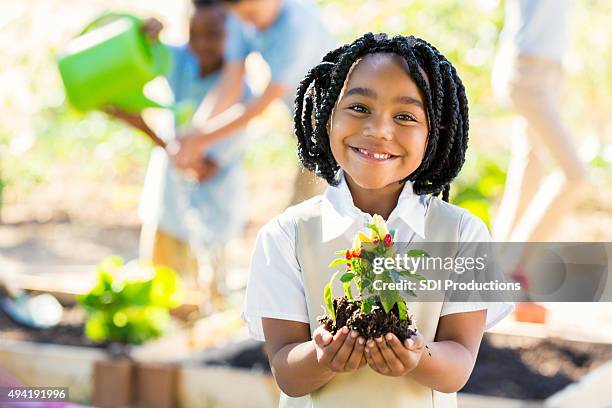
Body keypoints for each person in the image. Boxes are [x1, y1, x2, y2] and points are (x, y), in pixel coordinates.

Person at [242, 33, 513, 407]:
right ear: (327, 117)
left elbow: (459, 364)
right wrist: (322, 357)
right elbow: (286, 370)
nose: (379, 130)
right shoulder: (286, 236)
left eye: (405, 116)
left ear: (435, 134)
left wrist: (417, 356)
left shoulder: (462, 233)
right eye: (358, 108)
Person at [106, 0, 251, 301]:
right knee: (160, 290)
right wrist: (145, 31)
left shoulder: (238, 93)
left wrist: (142, 126)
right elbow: (145, 55)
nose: (201, 44)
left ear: (233, 34)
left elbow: (198, 167)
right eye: (193, 34)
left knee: (209, 298)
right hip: (168, 201)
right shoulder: (182, 61)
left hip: (211, 210)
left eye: (213, 34)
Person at [170, 0, 337, 205]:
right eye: (240, 16)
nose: (246, 23)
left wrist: (202, 139)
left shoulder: (297, 26)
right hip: (300, 110)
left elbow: (262, 103)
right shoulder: (241, 15)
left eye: (251, 15)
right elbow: (231, 82)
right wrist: (196, 130)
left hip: (330, 111)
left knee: (312, 195)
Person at [491, 0, 589, 243]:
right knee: (576, 176)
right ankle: (512, 263)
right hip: (527, 72)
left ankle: (496, 263)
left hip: (548, 75)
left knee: (529, 171)